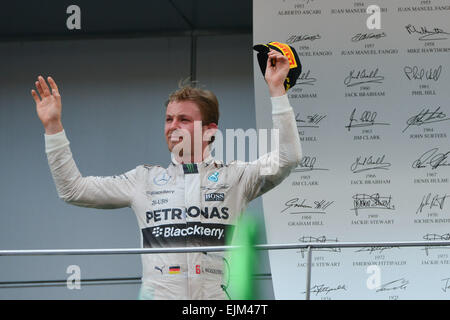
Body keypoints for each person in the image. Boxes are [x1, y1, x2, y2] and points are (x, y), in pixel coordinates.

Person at [31, 49, 302, 299]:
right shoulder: (142, 180)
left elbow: (288, 157)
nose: (173, 126)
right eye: (168, 119)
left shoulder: (236, 176)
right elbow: (73, 190)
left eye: (184, 119)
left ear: (210, 131)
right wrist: (53, 127)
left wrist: (277, 90)